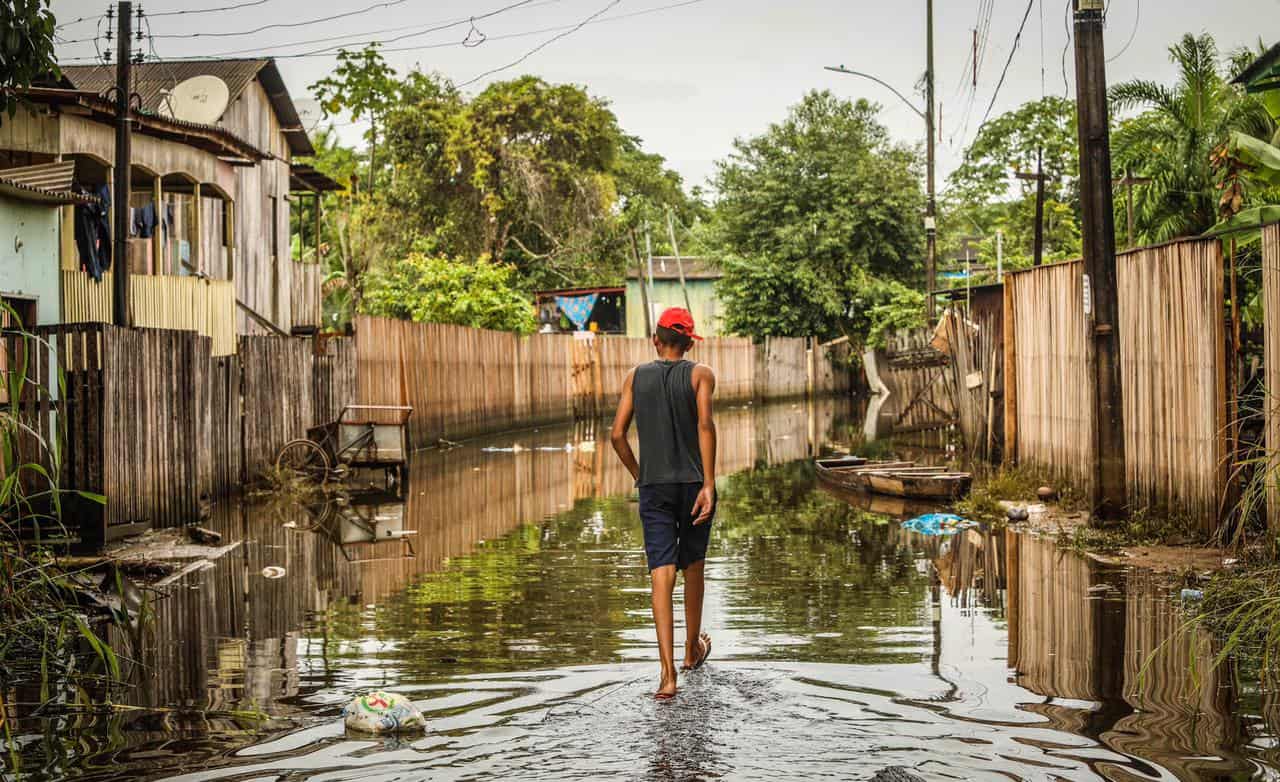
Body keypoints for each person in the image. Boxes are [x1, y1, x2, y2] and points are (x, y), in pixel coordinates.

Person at [610, 307, 717, 701]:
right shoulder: (701, 374)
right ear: (689, 343)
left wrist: (639, 473)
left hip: (654, 487)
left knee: (661, 573)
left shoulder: (635, 377)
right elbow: (706, 425)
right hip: (693, 484)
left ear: (655, 340)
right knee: (693, 567)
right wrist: (708, 483)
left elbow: (617, 435)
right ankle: (692, 650)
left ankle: (667, 676)